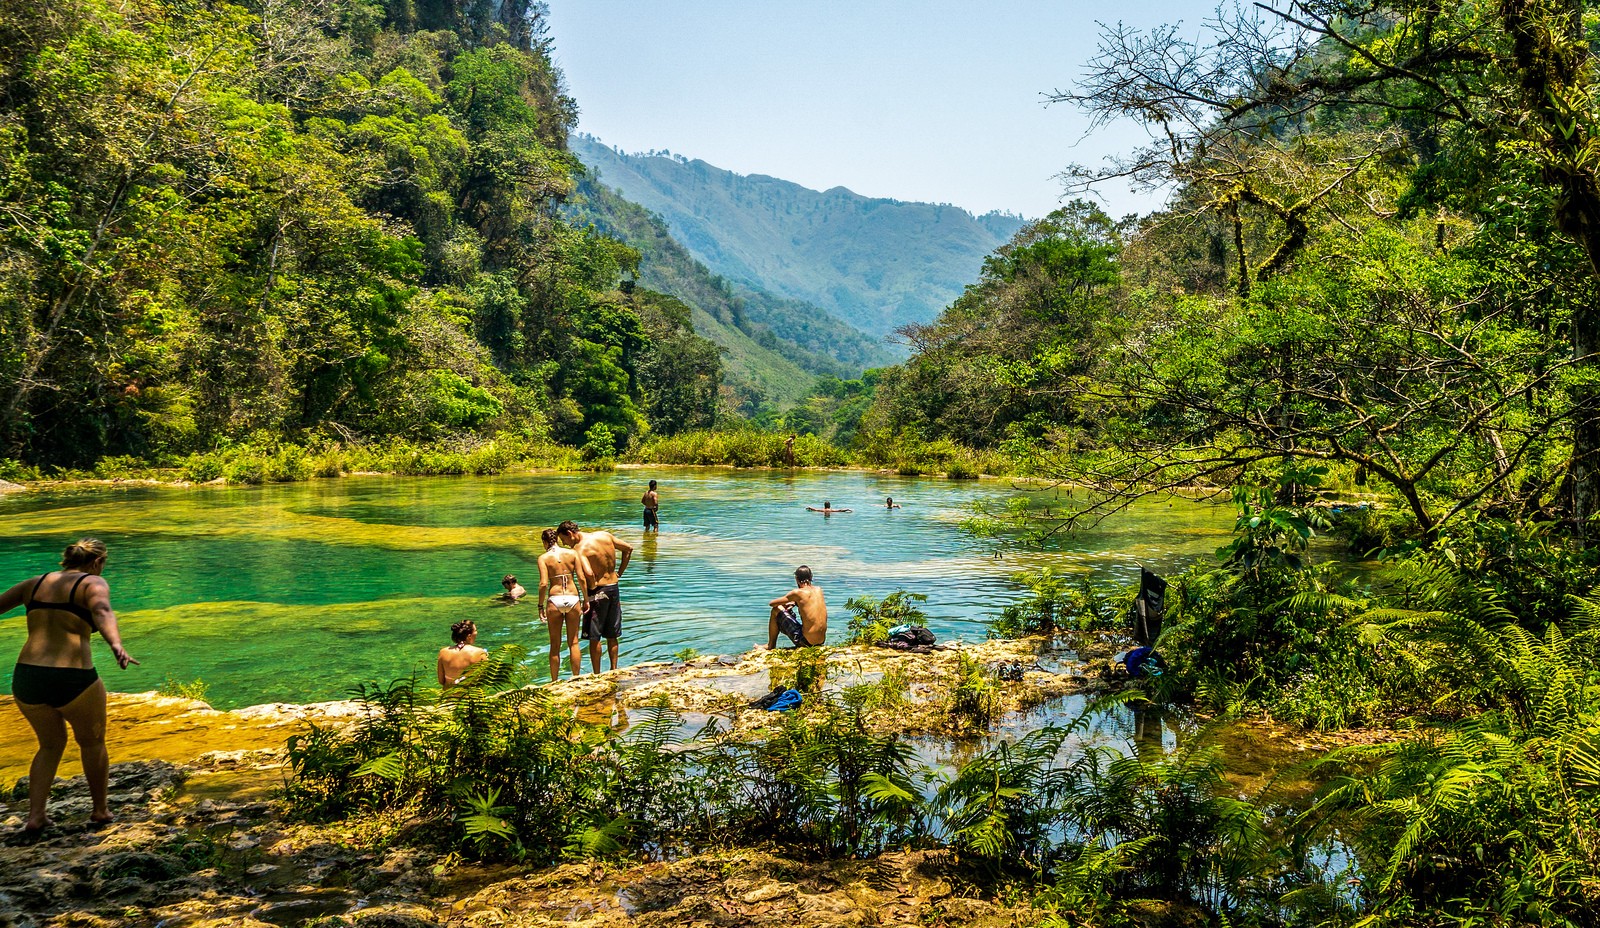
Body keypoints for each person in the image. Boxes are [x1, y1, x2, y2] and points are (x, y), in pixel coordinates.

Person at [0, 538, 138, 838]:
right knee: (92, 742)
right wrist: (116, 644)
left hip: (27, 677)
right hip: (72, 676)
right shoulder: (93, 583)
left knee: (49, 745)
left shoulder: (34, 584)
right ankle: (100, 810)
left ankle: (36, 816)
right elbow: (102, 611)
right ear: (97, 562)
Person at [557, 520, 633, 673]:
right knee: (612, 634)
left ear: (570, 534)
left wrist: (590, 589)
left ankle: (597, 674)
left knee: (594, 636)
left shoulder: (579, 549)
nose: (564, 544)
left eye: (564, 540)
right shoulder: (604, 535)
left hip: (597, 591)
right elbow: (628, 549)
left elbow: (589, 573)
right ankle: (614, 670)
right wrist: (619, 573)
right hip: (613, 587)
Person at [537, 528, 585, 681]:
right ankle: (576, 678)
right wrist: (586, 599)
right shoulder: (572, 553)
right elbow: (581, 578)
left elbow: (544, 584)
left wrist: (540, 606)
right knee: (574, 642)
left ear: (545, 542)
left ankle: (554, 682)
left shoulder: (543, 558)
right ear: (557, 539)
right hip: (573, 598)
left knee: (555, 644)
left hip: (555, 599)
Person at [768, 565, 828, 649]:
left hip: (806, 642)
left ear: (796, 579)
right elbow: (807, 603)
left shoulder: (797, 593)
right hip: (821, 641)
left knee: (776, 609)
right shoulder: (819, 590)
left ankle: (770, 645)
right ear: (811, 577)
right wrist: (794, 603)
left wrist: (788, 602)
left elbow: (772, 603)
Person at [437, 619, 487, 689]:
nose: (477, 632)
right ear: (469, 636)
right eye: (475, 630)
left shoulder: (443, 652)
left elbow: (441, 681)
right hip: (470, 694)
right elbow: (486, 679)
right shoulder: (479, 652)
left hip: (448, 694)